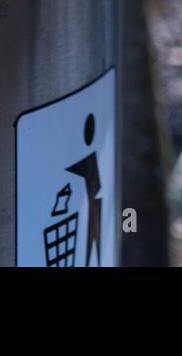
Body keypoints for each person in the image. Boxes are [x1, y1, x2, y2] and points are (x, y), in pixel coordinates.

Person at [65, 113, 103, 266]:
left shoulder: (90, 158)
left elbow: (82, 167)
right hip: (93, 202)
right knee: (91, 246)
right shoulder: (90, 158)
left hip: (94, 203)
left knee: (93, 244)